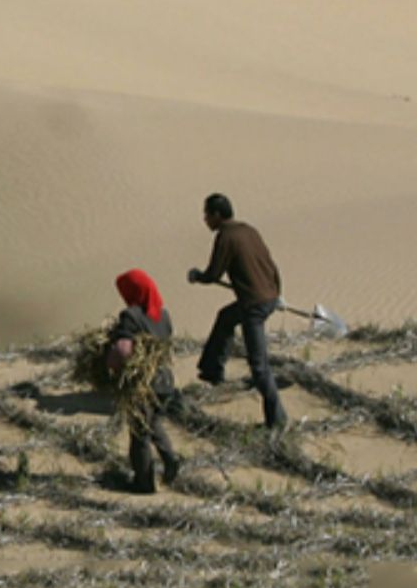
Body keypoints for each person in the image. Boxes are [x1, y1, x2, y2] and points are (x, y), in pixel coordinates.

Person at [186, 193, 288, 429]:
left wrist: (197, 276)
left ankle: (278, 420)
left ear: (217, 215)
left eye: (207, 214)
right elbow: (271, 265)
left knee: (259, 366)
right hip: (267, 296)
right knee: (226, 318)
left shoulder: (226, 237)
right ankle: (212, 371)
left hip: (254, 305)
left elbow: (213, 274)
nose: (205, 219)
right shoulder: (249, 230)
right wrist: (275, 294)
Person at [108, 268, 184, 493]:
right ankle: (170, 458)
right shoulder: (164, 315)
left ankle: (143, 483)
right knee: (153, 424)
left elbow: (123, 350)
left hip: (142, 385)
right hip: (164, 381)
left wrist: (111, 363)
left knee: (139, 434)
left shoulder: (130, 316)